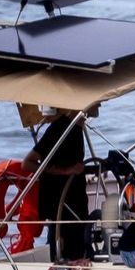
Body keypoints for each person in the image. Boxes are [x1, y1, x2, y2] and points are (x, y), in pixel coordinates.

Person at [22, 111, 89, 261]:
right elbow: (27, 163)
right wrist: (65, 171)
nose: (99, 104)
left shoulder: (76, 128)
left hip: (75, 195)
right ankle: (61, 265)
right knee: (64, 239)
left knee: (78, 235)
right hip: (61, 199)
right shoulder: (59, 128)